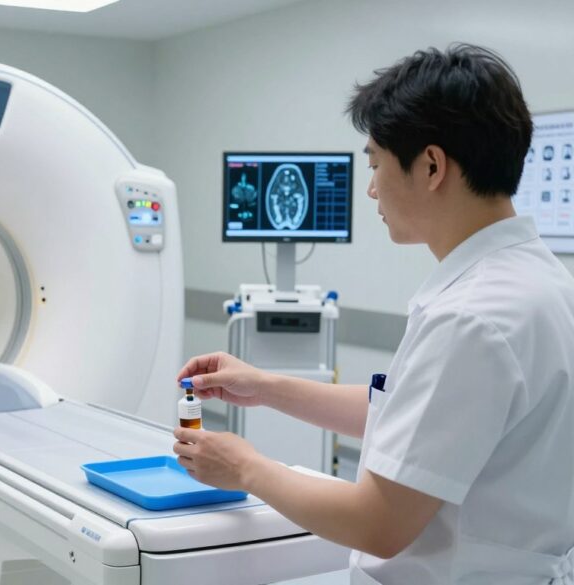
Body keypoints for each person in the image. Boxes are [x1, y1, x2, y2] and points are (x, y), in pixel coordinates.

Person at [173, 44, 574, 584]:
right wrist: (265, 386)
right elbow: (412, 417)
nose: (370, 188)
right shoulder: (540, 280)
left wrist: (243, 467)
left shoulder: (472, 319)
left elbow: (378, 523)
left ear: (431, 166)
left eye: (376, 163)